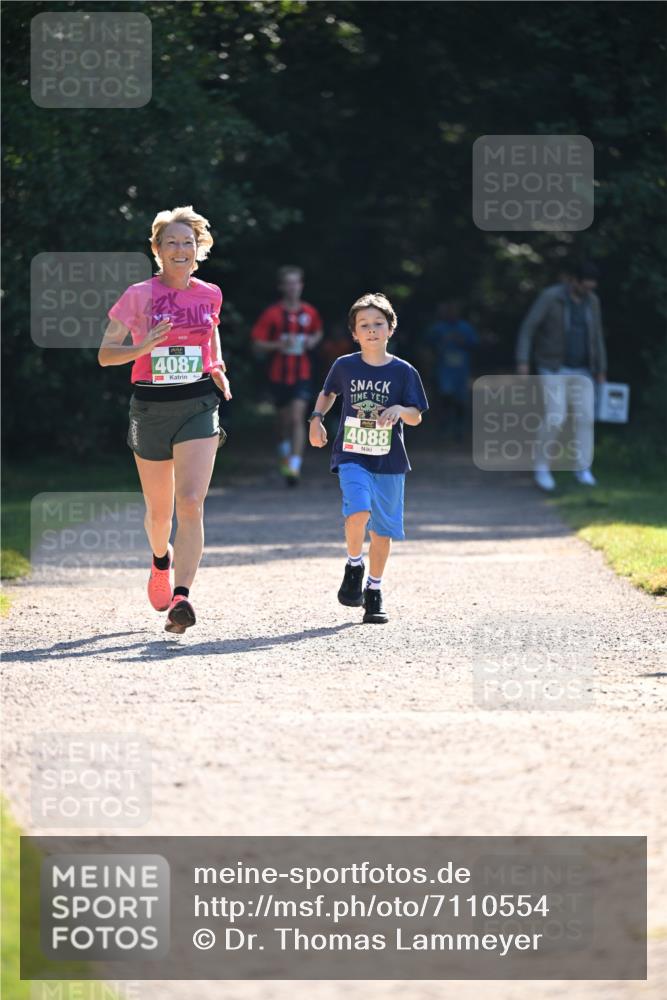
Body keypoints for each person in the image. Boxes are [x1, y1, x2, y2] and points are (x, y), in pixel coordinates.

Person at [98, 205, 232, 634]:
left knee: (190, 503)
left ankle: (181, 598)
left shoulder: (210, 293)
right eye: (171, 242)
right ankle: (161, 560)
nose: (180, 249)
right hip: (150, 408)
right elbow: (105, 355)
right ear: (156, 250)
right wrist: (142, 348)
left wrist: (216, 365)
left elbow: (211, 331)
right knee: (159, 515)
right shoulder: (139, 295)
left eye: (187, 242)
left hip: (198, 403)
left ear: (199, 248)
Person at [308, 292, 428, 624]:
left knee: (382, 532)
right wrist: (316, 419)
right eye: (364, 325)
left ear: (391, 329)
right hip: (352, 454)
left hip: (389, 460)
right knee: (358, 510)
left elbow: (416, 416)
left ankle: (374, 590)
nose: (372, 329)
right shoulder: (345, 365)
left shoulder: (404, 371)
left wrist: (400, 409)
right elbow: (328, 393)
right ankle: (353, 565)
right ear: (354, 333)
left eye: (378, 323)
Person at [516, 261, 607, 491]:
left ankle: (583, 469)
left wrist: (601, 368)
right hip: (552, 367)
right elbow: (528, 328)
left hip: (583, 370)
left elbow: (597, 335)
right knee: (555, 416)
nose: (587, 291)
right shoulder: (551, 297)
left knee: (586, 418)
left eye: (591, 287)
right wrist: (523, 361)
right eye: (584, 286)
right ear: (573, 280)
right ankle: (541, 467)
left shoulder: (592, 301)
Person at [251, 266, 323, 486]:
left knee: (297, 418)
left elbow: (318, 331)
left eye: (296, 283)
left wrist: (312, 341)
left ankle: (294, 467)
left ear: (301, 286)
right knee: (282, 423)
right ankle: (284, 455)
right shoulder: (272, 314)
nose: (293, 287)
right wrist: (277, 345)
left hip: (302, 374)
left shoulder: (309, 312)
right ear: (282, 287)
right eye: (288, 283)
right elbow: (257, 344)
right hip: (278, 376)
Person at [423, 300, 478, 440]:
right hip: (444, 368)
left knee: (460, 399)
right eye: (449, 311)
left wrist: (462, 341)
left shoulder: (465, 327)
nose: (452, 314)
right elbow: (428, 342)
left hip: (461, 369)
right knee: (445, 395)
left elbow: (475, 343)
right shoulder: (439, 328)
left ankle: (458, 428)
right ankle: (444, 425)